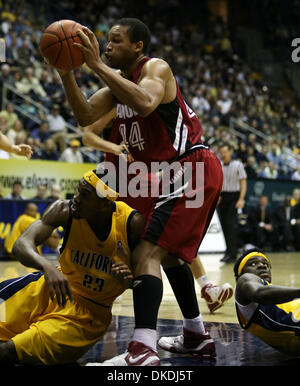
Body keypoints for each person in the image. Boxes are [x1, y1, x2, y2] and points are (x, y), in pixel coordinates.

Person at [57, 17, 223, 365]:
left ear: (138, 47)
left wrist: (97, 65)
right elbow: (86, 117)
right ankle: (196, 335)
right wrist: (65, 72)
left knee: (146, 254)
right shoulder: (116, 86)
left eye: (116, 41)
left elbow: (147, 103)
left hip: (189, 165)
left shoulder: (156, 69)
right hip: (169, 174)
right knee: (172, 255)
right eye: (107, 41)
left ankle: (142, 348)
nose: (107, 46)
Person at [0, 169, 144, 365]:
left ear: (105, 202)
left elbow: (147, 277)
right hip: (48, 289)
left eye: (85, 195)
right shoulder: (64, 210)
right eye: (78, 191)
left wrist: (129, 281)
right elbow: (21, 244)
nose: (76, 198)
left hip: (86, 316)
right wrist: (48, 267)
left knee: (7, 352)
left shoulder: (131, 224)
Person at [234, 248, 300, 356]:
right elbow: (259, 293)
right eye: (253, 263)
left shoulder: (280, 295)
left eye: (266, 264)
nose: (262, 266)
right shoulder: (244, 280)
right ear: (239, 277)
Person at [218, 142, 247, 263]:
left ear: (231, 152)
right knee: (224, 225)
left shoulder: (238, 165)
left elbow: (243, 182)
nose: (223, 154)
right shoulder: (218, 164)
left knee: (231, 225)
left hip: (234, 196)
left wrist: (241, 199)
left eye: (225, 152)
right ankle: (228, 251)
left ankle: (233, 252)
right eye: (221, 152)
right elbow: (217, 181)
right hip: (222, 197)